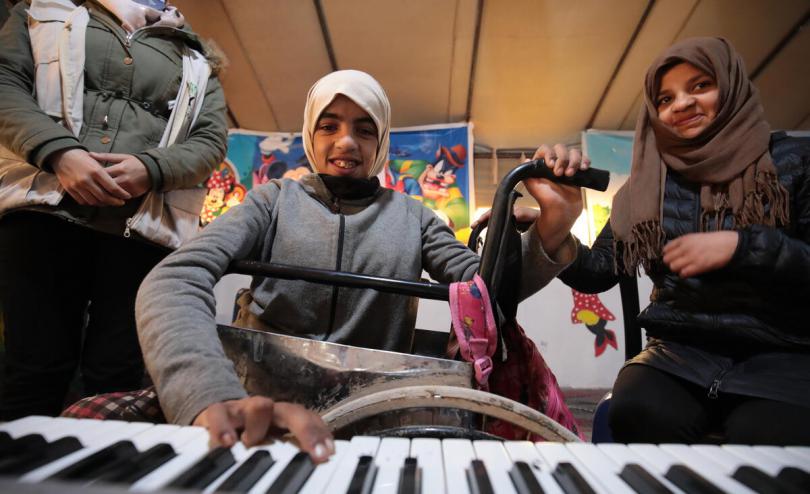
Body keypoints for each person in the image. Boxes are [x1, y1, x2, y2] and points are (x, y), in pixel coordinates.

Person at [135, 69, 586, 460]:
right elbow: (177, 276)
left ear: (382, 141)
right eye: (329, 126)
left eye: (365, 129)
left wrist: (553, 227)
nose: (346, 141)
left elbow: (487, 295)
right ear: (311, 136)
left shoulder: (415, 217)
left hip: (376, 418)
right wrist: (207, 396)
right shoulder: (271, 201)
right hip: (258, 412)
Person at [534, 37, 810, 445]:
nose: (680, 104)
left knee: (768, 437)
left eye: (700, 86)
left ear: (732, 86)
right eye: (664, 98)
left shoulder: (792, 161)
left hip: (782, 352)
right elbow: (598, 273)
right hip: (678, 355)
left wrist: (742, 247)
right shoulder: (648, 185)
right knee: (635, 412)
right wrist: (555, 221)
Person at [0, 0, 227, 420]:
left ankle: (101, 481)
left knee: (117, 377)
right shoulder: (40, 11)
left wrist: (150, 168)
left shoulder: (196, 57)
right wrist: (59, 153)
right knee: (33, 368)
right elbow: (5, 83)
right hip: (42, 214)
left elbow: (211, 140)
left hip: (139, 232)